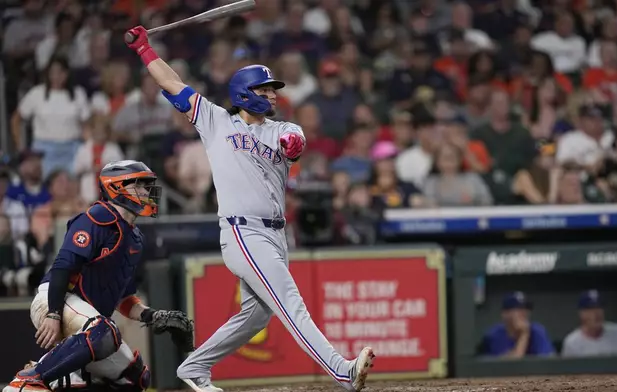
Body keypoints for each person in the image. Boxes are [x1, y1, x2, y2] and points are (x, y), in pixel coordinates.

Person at [124, 25, 375, 392]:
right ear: (244, 93)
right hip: (243, 232)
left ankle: (193, 368)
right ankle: (342, 371)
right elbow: (173, 83)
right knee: (290, 303)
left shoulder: (281, 129)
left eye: (273, 89)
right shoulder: (215, 121)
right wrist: (144, 48)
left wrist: (292, 142)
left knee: (256, 316)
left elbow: (295, 142)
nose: (272, 95)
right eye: (265, 89)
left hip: (276, 234)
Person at [3, 160, 194, 392]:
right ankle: (29, 380)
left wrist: (154, 316)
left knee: (135, 377)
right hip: (56, 299)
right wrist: (53, 314)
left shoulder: (135, 237)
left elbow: (124, 299)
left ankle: (63, 379)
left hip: (92, 323)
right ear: (117, 187)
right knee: (104, 331)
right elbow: (63, 267)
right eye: (140, 185)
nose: (146, 191)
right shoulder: (95, 219)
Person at [561, 290, 617, 357]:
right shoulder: (572, 342)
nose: (596, 313)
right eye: (591, 309)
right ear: (582, 314)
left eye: (599, 308)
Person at [480, 291, 555, 358]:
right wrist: (524, 334)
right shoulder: (494, 335)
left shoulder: (537, 331)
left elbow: (549, 363)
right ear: (505, 314)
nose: (524, 313)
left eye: (526, 308)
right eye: (518, 309)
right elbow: (510, 368)